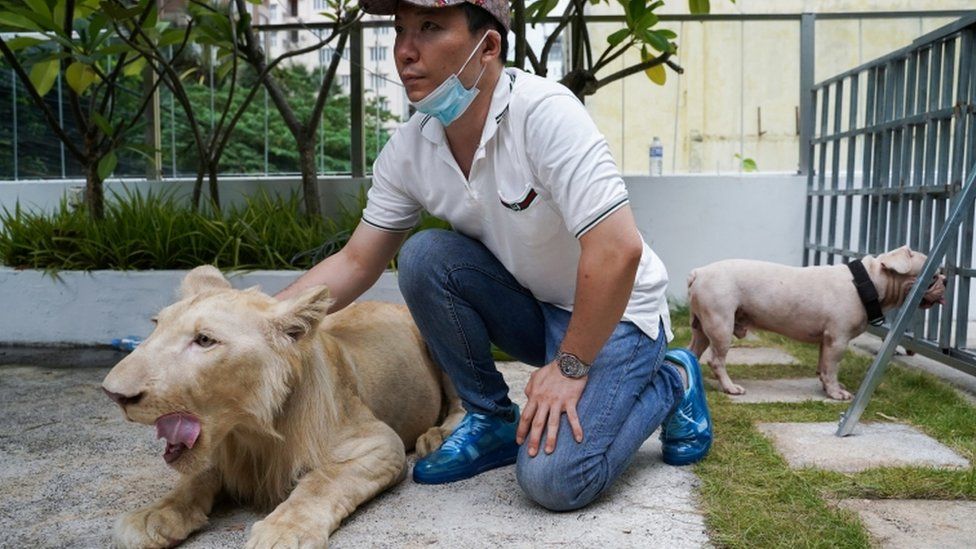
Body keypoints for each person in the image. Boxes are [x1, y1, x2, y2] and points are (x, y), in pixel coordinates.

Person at [276, 0, 712, 511]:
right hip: (532, 308)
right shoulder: (409, 149)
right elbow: (356, 262)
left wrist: (570, 368)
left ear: (487, 47)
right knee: (424, 256)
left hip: (616, 314)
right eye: (400, 29)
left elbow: (618, 250)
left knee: (555, 481)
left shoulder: (544, 113)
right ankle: (490, 420)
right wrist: (259, 322)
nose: (404, 51)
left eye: (430, 27)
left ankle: (672, 377)